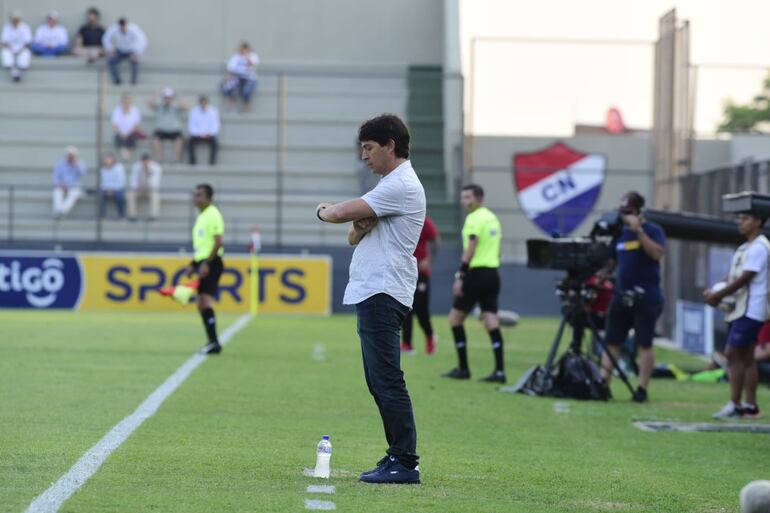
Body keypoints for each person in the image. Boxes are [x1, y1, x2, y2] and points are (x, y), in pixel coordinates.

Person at [315, 114, 424, 485]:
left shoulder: (400, 183)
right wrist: (351, 223)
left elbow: (342, 214)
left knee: (387, 380)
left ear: (390, 145)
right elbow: (353, 235)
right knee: (379, 381)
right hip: (376, 289)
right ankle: (398, 455)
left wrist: (322, 209)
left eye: (369, 148)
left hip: (383, 289)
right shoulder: (390, 187)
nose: (364, 156)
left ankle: (405, 461)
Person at [600, 191, 665, 403]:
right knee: (612, 341)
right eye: (622, 212)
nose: (625, 216)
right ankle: (604, 385)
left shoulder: (653, 230)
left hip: (646, 295)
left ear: (639, 212)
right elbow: (610, 263)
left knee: (644, 342)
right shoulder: (619, 234)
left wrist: (638, 231)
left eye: (628, 212)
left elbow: (656, 253)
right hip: (621, 295)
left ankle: (642, 388)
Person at [704, 210, 769, 419]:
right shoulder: (745, 247)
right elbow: (734, 276)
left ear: (758, 222)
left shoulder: (760, 246)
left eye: (746, 218)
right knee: (747, 358)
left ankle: (735, 405)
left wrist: (719, 295)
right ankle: (750, 406)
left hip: (752, 309)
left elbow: (745, 278)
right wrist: (714, 290)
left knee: (732, 353)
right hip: (740, 308)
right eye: (739, 218)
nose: (740, 222)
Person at [442, 184, 506, 383]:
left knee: (455, 320)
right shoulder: (492, 218)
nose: (464, 201)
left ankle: (463, 368)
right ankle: (500, 371)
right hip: (492, 273)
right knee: (491, 321)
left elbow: (472, 244)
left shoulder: (474, 218)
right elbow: (497, 247)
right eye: (463, 197)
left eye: (468, 197)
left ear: (479, 198)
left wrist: (461, 273)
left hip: (475, 273)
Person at [184, 184, 225, 355]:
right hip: (204, 262)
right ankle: (212, 341)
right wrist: (193, 264)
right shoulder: (202, 216)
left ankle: (214, 342)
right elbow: (203, 245)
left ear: (209, 198)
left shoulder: (213, 215)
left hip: (212, 262)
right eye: (195, 195)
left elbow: (218, 242)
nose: (196, 198)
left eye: (199, 195)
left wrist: (207, 263)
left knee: (205, 301)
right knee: (201, 303)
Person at [401, 214, 439, 355]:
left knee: (421, 310)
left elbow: (436, 241)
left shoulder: (423, 220)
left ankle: (430, 336)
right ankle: (407, 344)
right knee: (404, 308)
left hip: (420, 273)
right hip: (403, 271)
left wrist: (429, 260)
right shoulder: (400, 218)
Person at [102, 17, 147, 85]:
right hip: (120, 50)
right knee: (110, 61)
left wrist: (138, 52)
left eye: (123, 27)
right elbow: (106, 38)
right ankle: (117, 80)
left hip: (131, 50)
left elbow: (143, 40)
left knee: (136, 62)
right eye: (120, 27)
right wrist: (109, 49)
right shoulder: (114, 29)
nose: (122, 29)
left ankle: (133, 81)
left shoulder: (133, 29)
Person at [148, 87, 187, 162]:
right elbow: (149, 103)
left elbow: (185, 107)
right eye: (166, 98)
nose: (167, 100)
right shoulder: (159, 107)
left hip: (174, 131)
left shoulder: (176, 108)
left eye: (169, 98)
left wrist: (177, 97)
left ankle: (176, 160)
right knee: (155, 140)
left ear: (172, 98)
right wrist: (156, 94)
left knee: (179, 140)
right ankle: (159, 159)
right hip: (161, 130)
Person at [222, 41, 259, 111]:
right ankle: (232, 107)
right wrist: (230, 77)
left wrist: (246, 56)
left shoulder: (253, 56)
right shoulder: (236, 57)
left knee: (246, 91)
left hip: (249, 78)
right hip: (238, 77)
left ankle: (247, 107)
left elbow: (253, 65)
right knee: (228, 87)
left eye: (245, 49)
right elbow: (231, 69)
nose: (243, 50)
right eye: (242, 49)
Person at [52, 146, 87, 219]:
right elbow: (55, 176)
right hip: (62, 185)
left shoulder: (80, 164)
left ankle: (61, 211)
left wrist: (76, 165)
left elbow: (82, 174)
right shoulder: (60, 163)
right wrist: (60, 184)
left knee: (74, 193)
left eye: (72, 155)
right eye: (69, 155)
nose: (70, 157)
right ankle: (58, 211)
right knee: (57, 191)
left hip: (75, 186)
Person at [127, 154, 162, 220]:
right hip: (139, 189)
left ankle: (154, 216)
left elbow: (155, 183)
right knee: (130, 194)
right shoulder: (136, 166)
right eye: (144, 161)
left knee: (155, 195)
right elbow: (133, 181)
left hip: (150, 189)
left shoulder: (156, 167)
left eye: (147, 161)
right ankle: (132, 216)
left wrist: (148, 172)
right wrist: (138, 187)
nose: (145, 163)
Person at [188, 96, 220, 166]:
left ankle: (212, 163)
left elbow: (215, 125)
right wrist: (199, 134)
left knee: (215, 143)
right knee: (190, 142)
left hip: (209, 135)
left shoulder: (213, 111)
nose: (203, 105)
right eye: (202, 103)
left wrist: (208, 133)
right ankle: (192, 163)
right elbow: (192, 125)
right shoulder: (194, 111)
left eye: (204, 103)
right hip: (197, 135)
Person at [1, 11, 32, 82]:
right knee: (5, 54)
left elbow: (27, 42)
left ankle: (19, 73)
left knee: (25, 55)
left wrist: (19, 50)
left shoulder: (25, 27)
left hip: (22, 49)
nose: (15, 21)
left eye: (16, 19)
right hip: (9, 49)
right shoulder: (7, 27)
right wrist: (12, 50)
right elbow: (4, 41)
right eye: (13, 19)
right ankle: (14, 72)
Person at [111, 93, 142, 161]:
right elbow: (115, 125)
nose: (127, 103)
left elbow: (136, 125)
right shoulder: (117, 110)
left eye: (129, 101)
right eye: (125, 101)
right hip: (120, 133)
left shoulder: (135, 110)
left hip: (131, 132)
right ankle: (126, 153)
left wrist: (128, 133)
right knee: (118, 136)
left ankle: (128, 153)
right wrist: (122, 133)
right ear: (122, 102)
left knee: (134, 136)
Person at [99, 152, 126, 219]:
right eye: (106, 159)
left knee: (119, 196)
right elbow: (103, 182)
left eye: (109, 159)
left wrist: (113, 190)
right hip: (106, 189)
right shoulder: (103, 169)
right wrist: (108, 190)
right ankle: (102, 215)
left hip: (118, 189)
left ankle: (121, 214)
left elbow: (121, 182)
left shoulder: (119, 168)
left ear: (113, 159)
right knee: (100, 196)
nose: (108, 160)